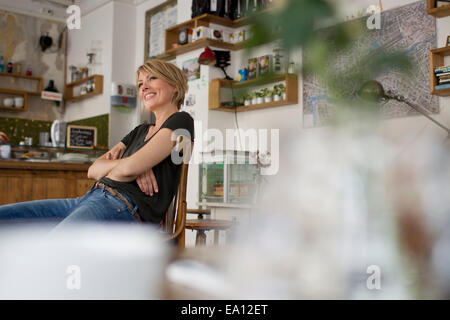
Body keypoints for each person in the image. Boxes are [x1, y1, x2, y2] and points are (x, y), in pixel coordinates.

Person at [0, 60, 194, 227]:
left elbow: (128, 169)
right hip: (90, 198)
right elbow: (93, 170)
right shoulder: (140, 130)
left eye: (152, 78)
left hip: (123, 206)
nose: (143, 87)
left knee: (51, 246)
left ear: (175, 85)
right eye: (140, 83)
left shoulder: (181, 120)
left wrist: (131, 166)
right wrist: (135, 166)